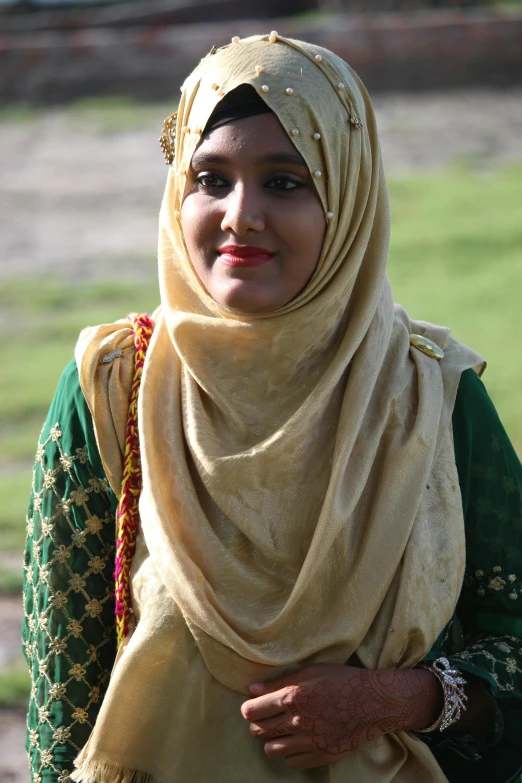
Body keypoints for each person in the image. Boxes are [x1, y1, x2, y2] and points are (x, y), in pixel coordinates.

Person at [22, 33, 522, 783]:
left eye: (285, 183)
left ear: (347, 198)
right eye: (210, 178)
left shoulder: (433, 399)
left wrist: (403, 697)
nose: (239, 215)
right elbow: (63, 703)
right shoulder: (113, 389)